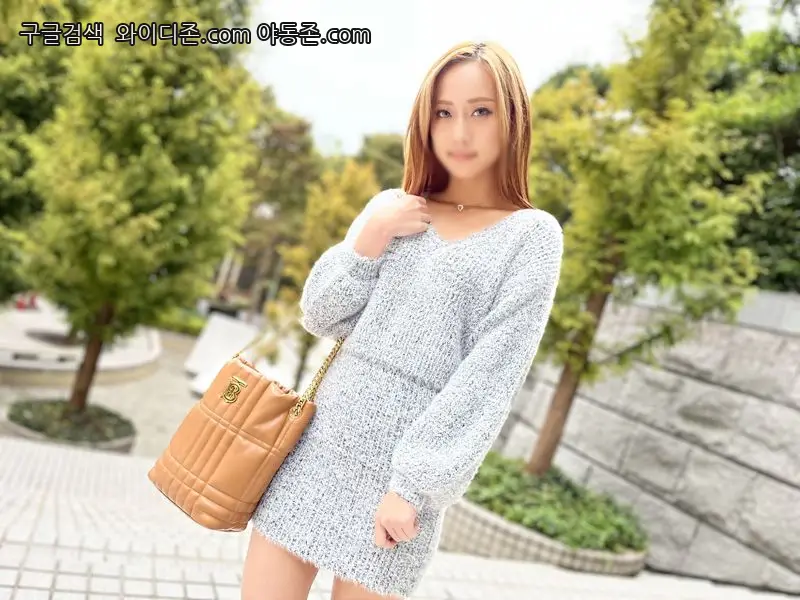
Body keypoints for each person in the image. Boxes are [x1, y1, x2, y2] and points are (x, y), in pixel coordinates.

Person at [241, 40, 564, 600]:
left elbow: (490, 378)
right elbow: (321, 314)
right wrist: (369, 238)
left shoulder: (531, 237)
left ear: (512, 118)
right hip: (313, 453)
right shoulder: (395, 206)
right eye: (444, 112)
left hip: (399, 482)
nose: (460, 132)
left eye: (480, 111)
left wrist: (415, 486)